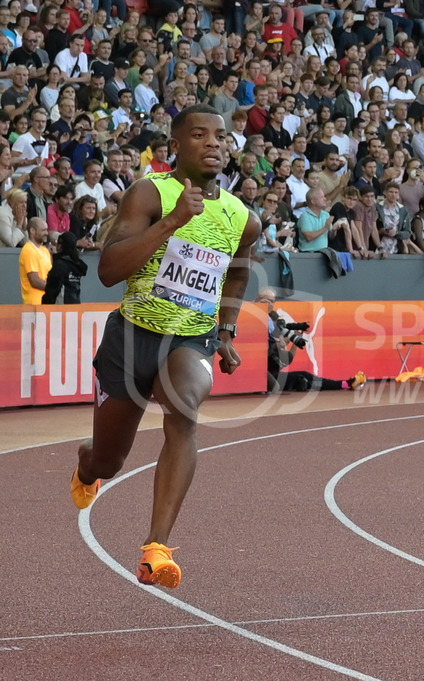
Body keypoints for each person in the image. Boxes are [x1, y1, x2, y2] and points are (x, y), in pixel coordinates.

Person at [71, 105, 262, 590]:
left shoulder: (243, 218)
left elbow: (238, 273)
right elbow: (109, 270)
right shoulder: (150, 193)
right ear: (175, 146)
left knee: (184, 410)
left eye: (221, 136)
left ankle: (156, 549)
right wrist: (172, 222)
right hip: (131, 336)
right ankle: (87, 464)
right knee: (109, 461)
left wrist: (225, 331)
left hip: (190, 338)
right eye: (199, 134)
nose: (213, 142)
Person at [255, 287, 367, 392]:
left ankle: (346, 384)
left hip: (272, 371)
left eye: (272, 301)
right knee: (278, 385)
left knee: (305, 376)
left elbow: (287, 359)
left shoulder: (274, 322)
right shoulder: (251, 316)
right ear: (257, 299)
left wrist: (293, 342)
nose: (269, 303)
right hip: (259, 371)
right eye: (265, 300)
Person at [42, 231, 88, 304]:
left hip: (61, 306)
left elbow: (52, 290)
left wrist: (45, 305)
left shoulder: (60, 265)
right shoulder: (76, 264)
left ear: (60, 246)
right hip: (75, 305)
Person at [19, 216, 51, 305]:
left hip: (47, 303)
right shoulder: (28, 250)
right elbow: (35, 281)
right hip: (34, 304)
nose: (46, 233)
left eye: (47, 230)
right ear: (32, 230)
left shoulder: (45, 250)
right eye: (43, 230)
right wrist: (53, 289)